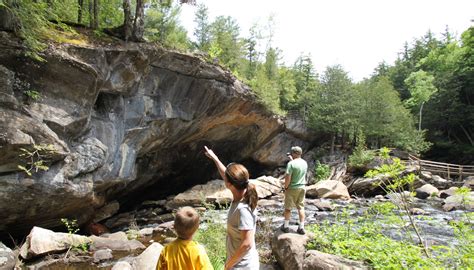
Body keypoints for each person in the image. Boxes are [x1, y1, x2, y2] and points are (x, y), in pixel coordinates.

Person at [204, 146, 259, 270]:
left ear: (229, 184)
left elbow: (247, 244)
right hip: (241, 262)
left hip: (242, 266)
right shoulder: (246, 190)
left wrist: (228, 265)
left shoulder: (243, 209)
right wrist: (215, 158)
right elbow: (227, 175)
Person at [281, 146, 308, 235]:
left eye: (292, 152)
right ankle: (301, 227)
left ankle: (286, 226)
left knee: (288, 208)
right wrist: (292, 160)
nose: (291, 154)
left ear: (294, 154)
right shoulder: (304, 163)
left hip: (292, 188)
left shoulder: (291, 164)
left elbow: (288, 177)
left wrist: (285, 187)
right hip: (302, 187)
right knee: (301, 207)